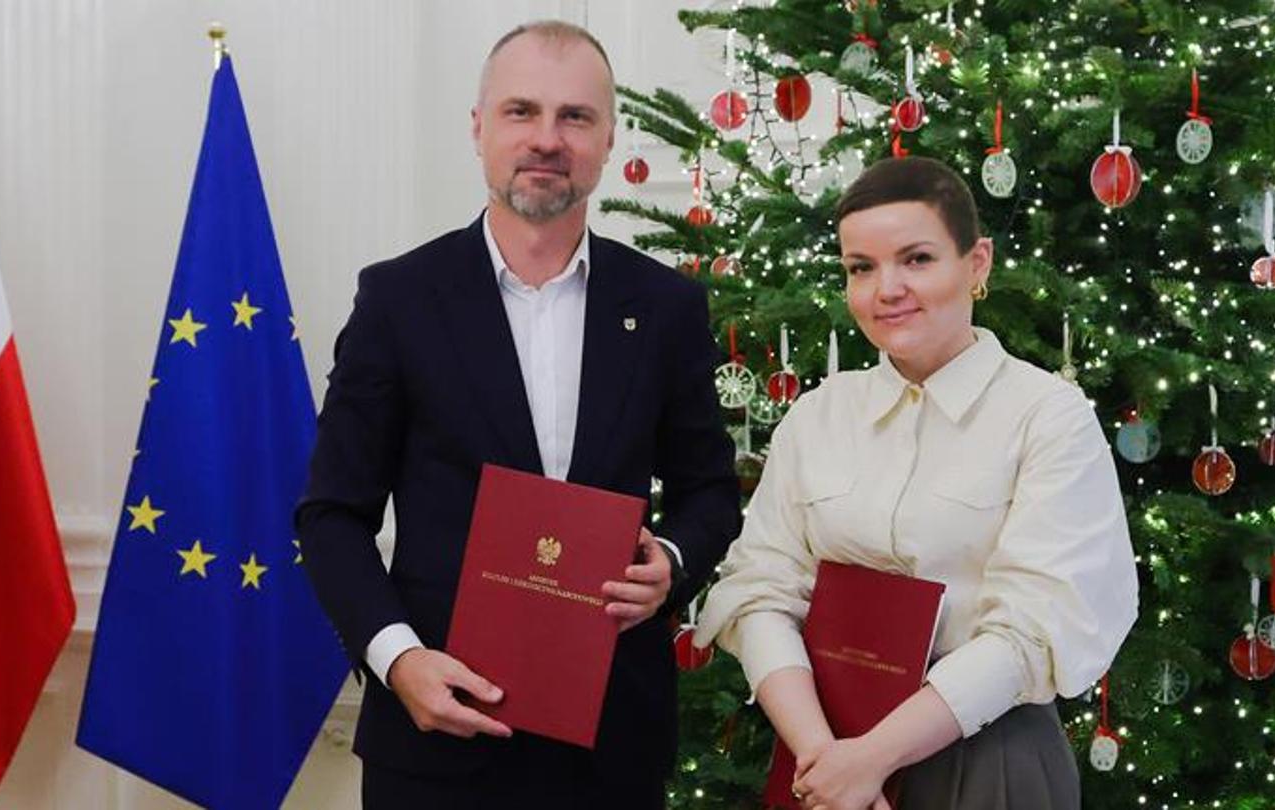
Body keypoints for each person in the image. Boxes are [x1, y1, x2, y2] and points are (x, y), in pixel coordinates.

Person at [295, 20, 740, 809]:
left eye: (575, 117)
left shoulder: (666, 307)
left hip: (613, 741)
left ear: (608, 138)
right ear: (478, 128)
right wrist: (399, 661)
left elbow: (710, 493)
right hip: (435, 737)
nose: (547, 139)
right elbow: (331, 513)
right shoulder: (398, 301)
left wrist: (670, 561)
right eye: (520, 111)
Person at [692, 156, 1139, 810]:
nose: (887, 289)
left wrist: (871, 759)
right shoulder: (816, 417)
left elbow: (1033, 629)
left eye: (917, 259)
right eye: (861, 268)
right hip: (820, 753)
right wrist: (824, 756)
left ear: (977, 264)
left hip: (987, 759)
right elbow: (758, 590)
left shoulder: (1047, 417)